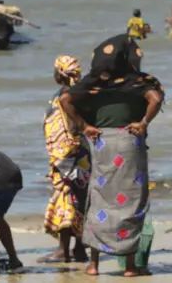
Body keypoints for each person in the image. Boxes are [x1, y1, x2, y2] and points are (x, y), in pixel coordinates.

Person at [59, 34, 164, 277]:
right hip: (130, 141)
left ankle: (94, 265)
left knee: (99, 199)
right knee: (131, 201)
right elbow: (156, 99)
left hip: (101, 143)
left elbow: (65, 99)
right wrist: (144, 122)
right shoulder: (139, 82)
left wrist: (84, 126)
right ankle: (129, 267)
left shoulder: (92, 83)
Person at [39, 55, 91, 264]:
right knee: (79, 199)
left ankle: (63, 251)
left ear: (59, 73)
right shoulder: (78, 94)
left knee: (67, 199)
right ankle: (78, 249)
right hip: (79, 153)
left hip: (68, 154)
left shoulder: (66, 95)